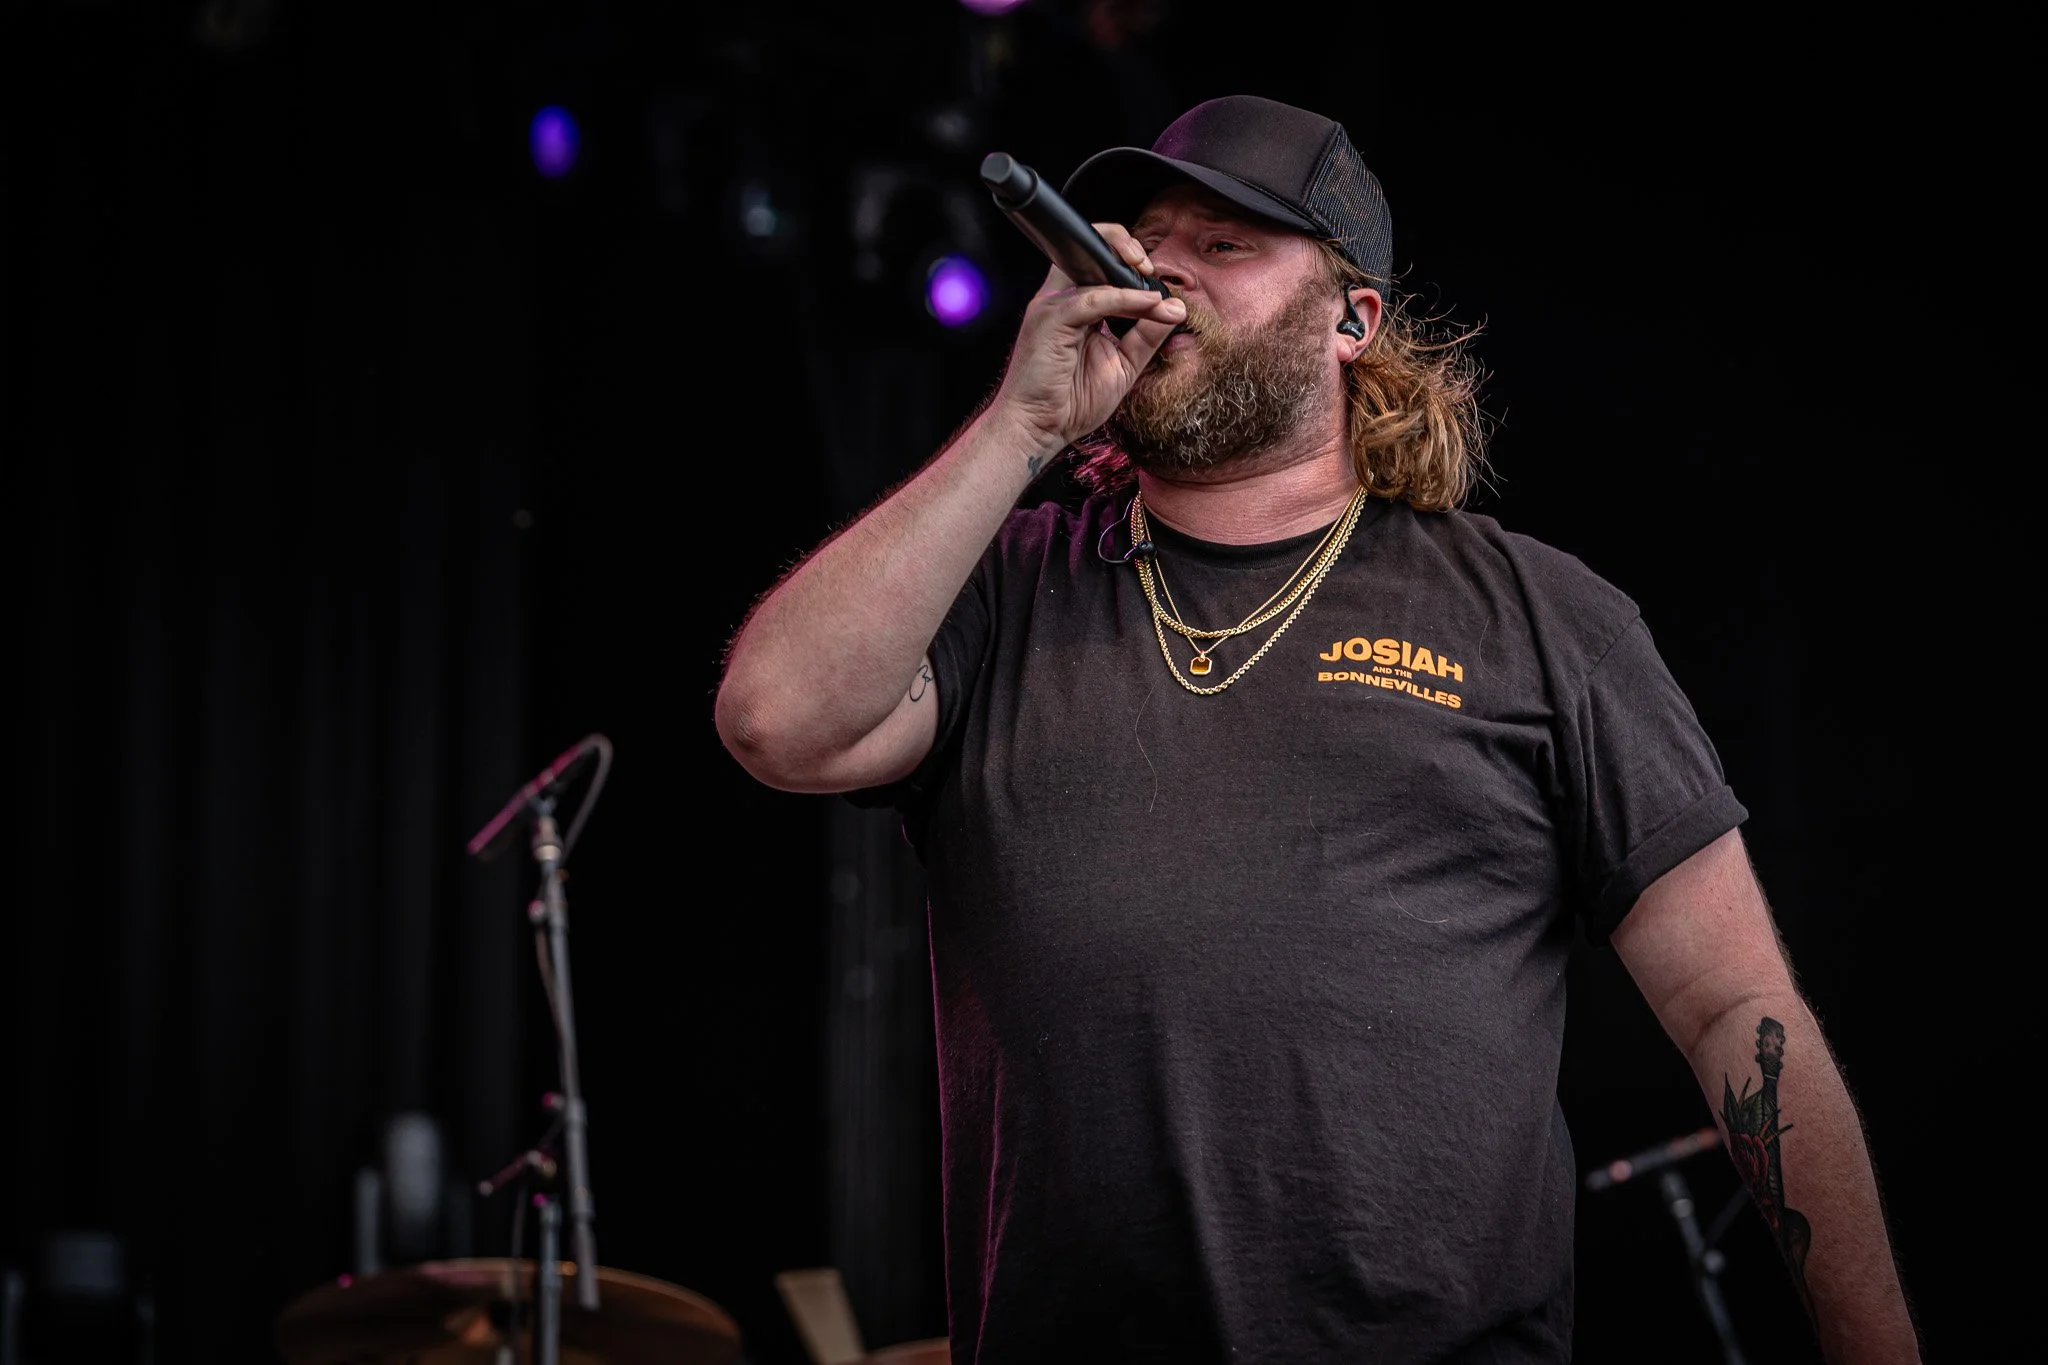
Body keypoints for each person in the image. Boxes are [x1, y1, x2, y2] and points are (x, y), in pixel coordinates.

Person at [715, 95, 1920, 1364]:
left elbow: (1734, 1006)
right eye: (1144, 242)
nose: (1159, 272)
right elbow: (777, 722)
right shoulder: (1006, 585)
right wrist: (1019, 428)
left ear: (1352, 321)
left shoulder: (1537, 619)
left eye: (1223, 245)